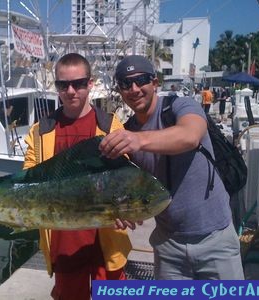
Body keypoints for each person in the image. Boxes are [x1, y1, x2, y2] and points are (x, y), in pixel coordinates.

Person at [0, 53, 132, 299]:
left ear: (90, 83)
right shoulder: (42, 130)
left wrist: (124, 208)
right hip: (63, 238)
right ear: (56, 87)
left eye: (78, 83)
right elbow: (26, 183)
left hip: (106, 235)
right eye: (63, 85)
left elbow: (123, 178)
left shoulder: (110, 125)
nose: (71, 91)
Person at [99, 55, 244, 280]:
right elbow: (130, 188)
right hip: (168, 246)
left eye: (141, 80)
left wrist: (139, 140)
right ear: (120, 90)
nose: (134, 89)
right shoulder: (126, 132)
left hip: (216, 241)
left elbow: (190, 136)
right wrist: (121, 212)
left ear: (155, 83)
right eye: (126, 84)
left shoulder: (181, 106)